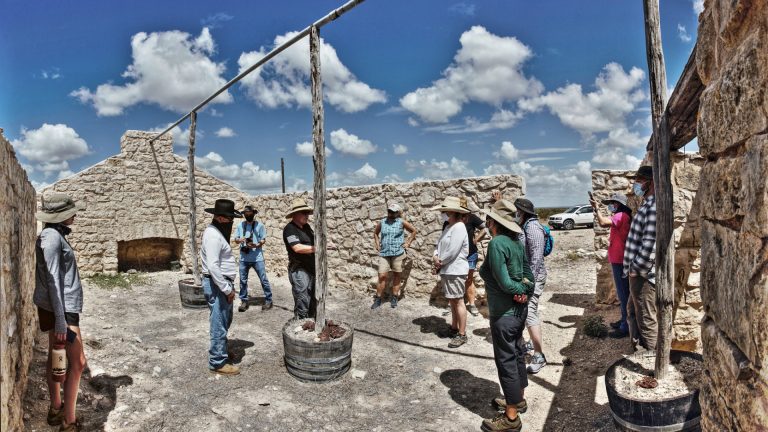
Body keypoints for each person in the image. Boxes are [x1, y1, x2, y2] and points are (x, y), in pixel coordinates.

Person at [479, 199, 535, 432]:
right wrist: (525, 291)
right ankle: (517, 398)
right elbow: (528, 275)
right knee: (517, 352)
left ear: (493, 222)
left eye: (487, 219)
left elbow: (504, 283)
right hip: (519, 312)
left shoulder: (496, 244)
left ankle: (511, 417)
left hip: (504, 313)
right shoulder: (515, 242)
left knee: (506, 360)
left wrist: (519, 291)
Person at [34, 193, 87, 431]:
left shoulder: (52, 234)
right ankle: (69, 422)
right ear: (60, 216)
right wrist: (60, 322)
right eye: (71, 212)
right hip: (63, 310)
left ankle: (56, 408)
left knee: (55, 356)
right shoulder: (53, 237)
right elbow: (54, 280)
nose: (75, 215)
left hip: (57, 308)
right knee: (78, 363)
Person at [201, 199, 241, 375]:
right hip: (218, 285)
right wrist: (226, 288)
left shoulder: (216, 233)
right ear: (220, 217)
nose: (231, 221)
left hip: (221, 283)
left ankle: (221, 352)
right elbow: (213, 266)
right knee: (219, 322)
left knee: (224, 320)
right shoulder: (213, 236)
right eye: (229, 218)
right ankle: (217, 362)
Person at [623, 165, 658, 351]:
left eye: (639, 181)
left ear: (649, 182)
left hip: (643, 276)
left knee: (646, 320)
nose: (636, 186)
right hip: (638, 273)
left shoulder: (653, 207)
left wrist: (636, 269)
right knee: (633, 312)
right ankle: (640, 352)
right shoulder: (647, 204)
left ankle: (652, 363)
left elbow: (650, 245)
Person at [513, 198, 549, 374]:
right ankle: (530, 345)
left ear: (522, 212)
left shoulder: (533, 227)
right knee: (526, 312)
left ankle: (539, 355)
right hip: (527, 278)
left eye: (516, 211)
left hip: (533, 278)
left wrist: (529, 283)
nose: (515, 214)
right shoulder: (526, 225)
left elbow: (536, 259)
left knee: (530, 312)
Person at [590, 192, 632, 339]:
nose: (611, 206)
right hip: (618, 259)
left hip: (620, 260)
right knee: (622, 293)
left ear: (619, 204)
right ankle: (623, 320)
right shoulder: (621, 216)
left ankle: (625, 326)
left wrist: (596, 209)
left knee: (623, 293)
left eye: (613, 203)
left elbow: (602, 222)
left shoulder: (621, 216)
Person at [432, 196, 470, 348]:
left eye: (445, 211)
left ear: (453, 212)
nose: (443, 213)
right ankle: (454, 328)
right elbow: (439, 245)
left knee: (458, 301)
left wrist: (439, 262)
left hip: (455, 270)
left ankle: (462, 334)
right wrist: (435, 256)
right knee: (453, 300)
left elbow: (452, 251)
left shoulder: (459, 227)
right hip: (448, 269)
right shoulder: (449, 227)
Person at [372, 202, 417, 309]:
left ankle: (394, 297)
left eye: (392, 212)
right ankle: (378, 299)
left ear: (397, 213)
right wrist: (377, 244)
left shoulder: (401, 222)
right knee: (382, 276)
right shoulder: (382, 222)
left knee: (397, 275)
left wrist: (408, 243)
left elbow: (414, 231)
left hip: (398, 253)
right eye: (389, 211)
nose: (390, 213)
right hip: (384, 253)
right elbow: (375, 233)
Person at [283, 198, 318, 319]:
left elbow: (315, 242)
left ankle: (311, 321)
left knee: (313, 297)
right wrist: (319, 248)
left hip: (311, 268)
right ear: (295, 214)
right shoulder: (290, 229)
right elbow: (297, 248)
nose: (307, 215)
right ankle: (300, 324)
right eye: (304, 212)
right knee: (302, 297)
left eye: (307, 212)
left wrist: (326, 244)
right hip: (299, 269)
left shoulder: (307, 227)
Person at [234, 205, 273, 312]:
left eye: (250, 214)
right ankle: (244, 301)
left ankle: (269, 300)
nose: (248, 215)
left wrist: (257, 245)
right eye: (246, 214)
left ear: (254, 214)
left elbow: (263, 240)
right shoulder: (240, 226)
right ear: (244, 215)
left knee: (263, 279)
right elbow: (236, 239)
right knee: (242, 281)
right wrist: (241, 240)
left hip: (257, 258)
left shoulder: (259, 226)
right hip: (244, 258)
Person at [461, 209, 486, 316]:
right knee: (455, 279)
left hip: (470, 254)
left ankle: (471, 304)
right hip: (456, 255)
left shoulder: (471, 217)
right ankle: (453, 304)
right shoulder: (450, 220)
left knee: (469, 279)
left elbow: (484, 229)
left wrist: (476, 239)